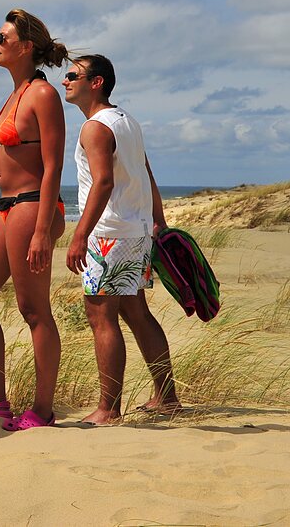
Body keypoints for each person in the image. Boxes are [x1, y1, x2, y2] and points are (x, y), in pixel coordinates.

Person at [0, 8, 68, 431]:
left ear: (26, 47)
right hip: (7, 208)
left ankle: (42, 410)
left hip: (31, 206)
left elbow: (52, 165)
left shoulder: (42, 94)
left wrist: (43, 228)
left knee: (33, 308)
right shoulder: (15, 92)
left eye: (2, 38)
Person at [63, 54, 181, 423]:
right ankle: (167, 396)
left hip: (109, 235)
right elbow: (146, 175)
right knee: (137, 313)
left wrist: (80, 234)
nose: (65, 81)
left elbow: (104, 182)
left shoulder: (95, 127)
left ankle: (108, 408)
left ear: (96, 82)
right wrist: (157, 220)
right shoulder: (127, 121)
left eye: (73, 75)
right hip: (136, 230)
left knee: (102, 318)